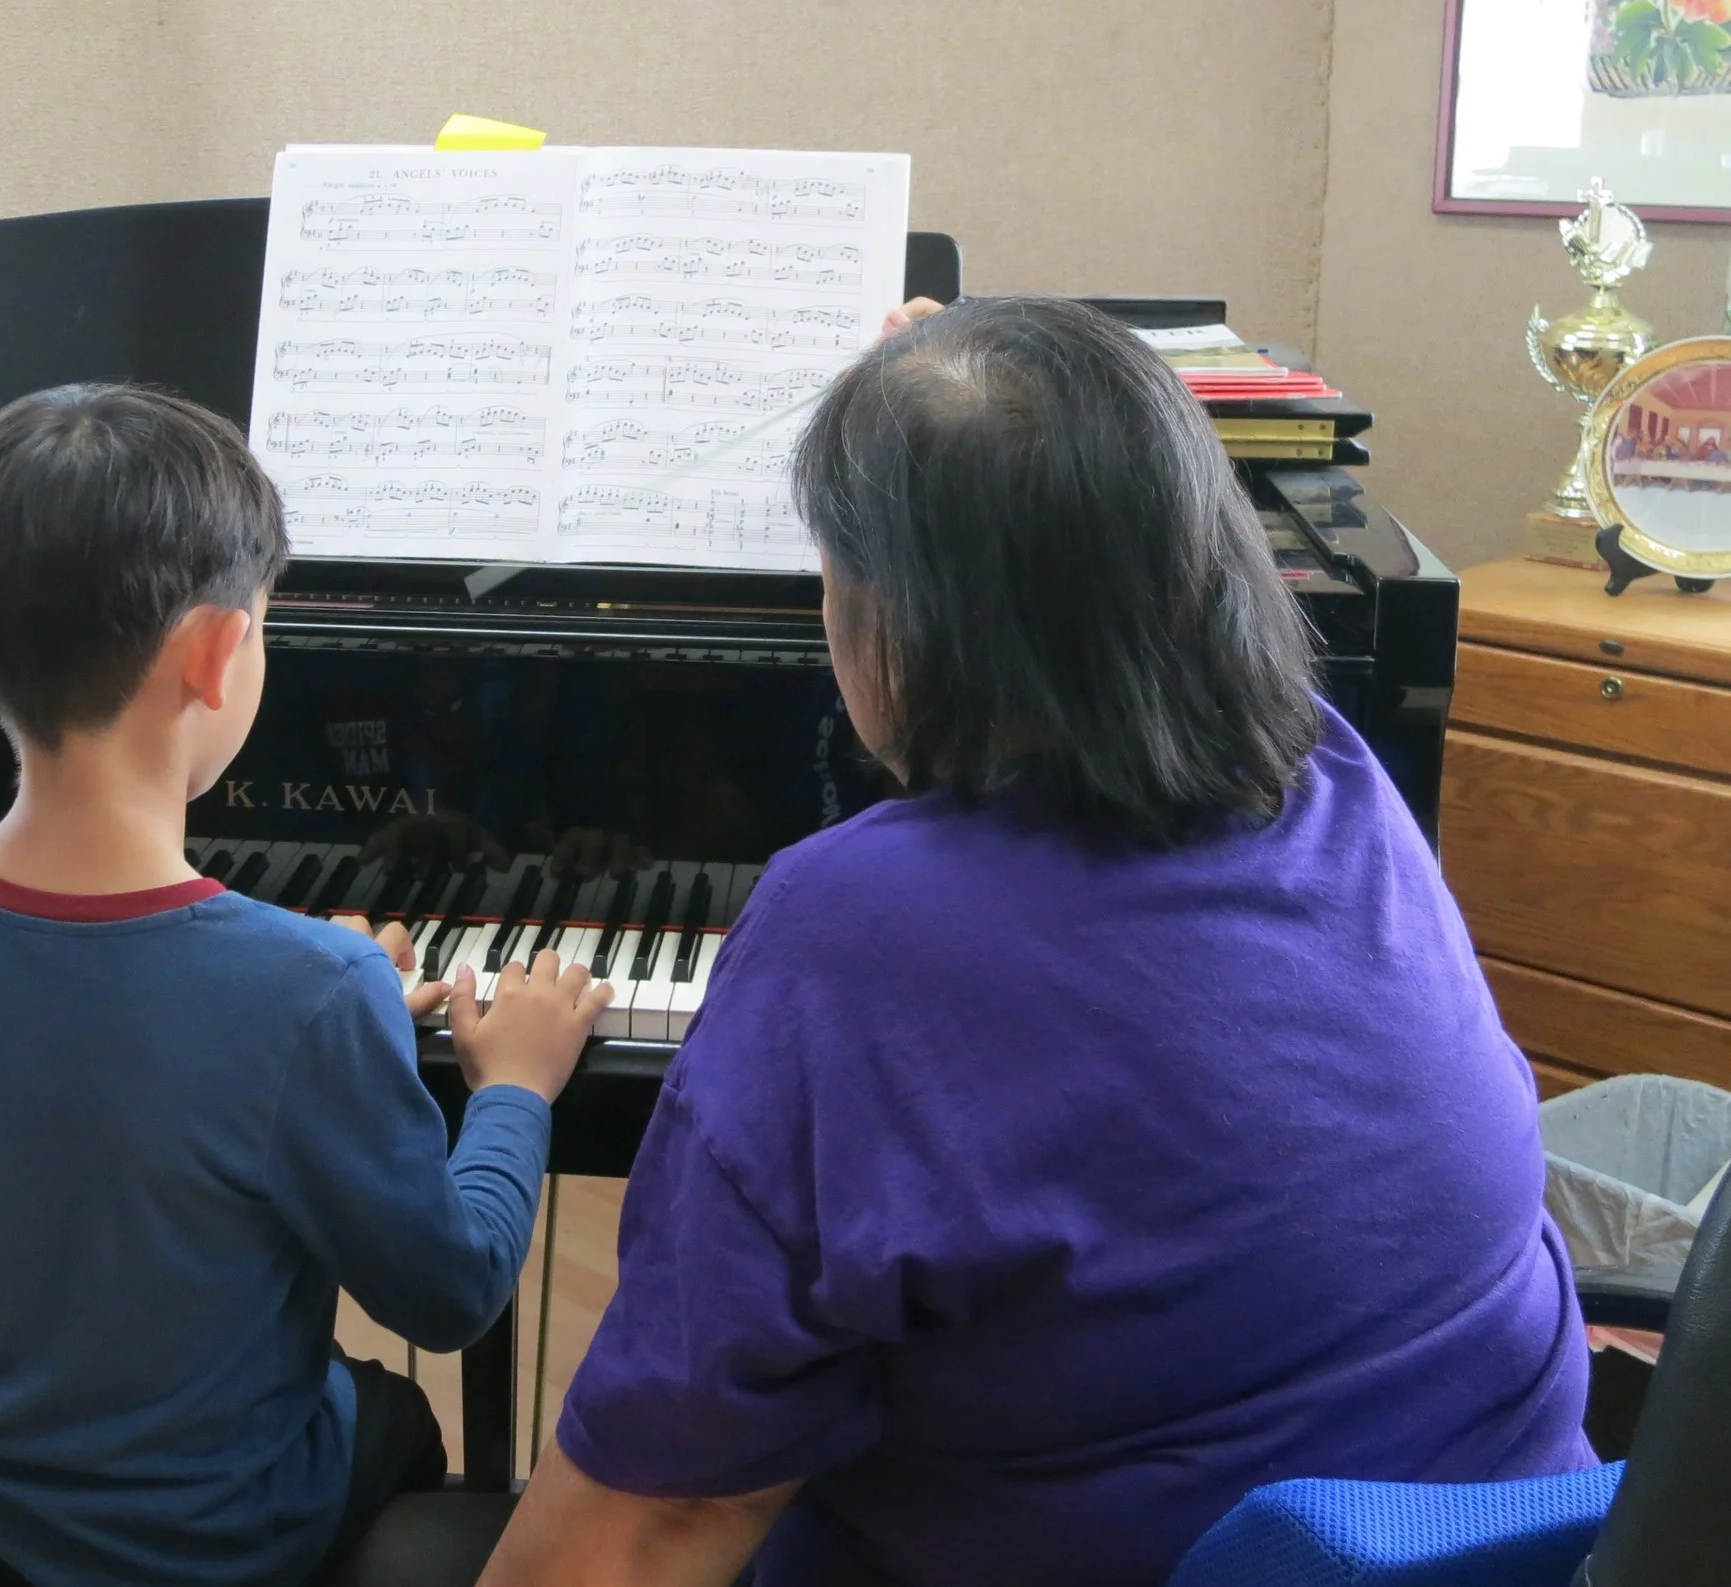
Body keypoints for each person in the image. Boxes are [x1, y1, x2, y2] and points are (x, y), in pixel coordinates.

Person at [482, 297, 1593, 1587]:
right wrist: (955, 383)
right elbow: (1087, 509)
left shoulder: (862, 930)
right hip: (1500, 1543)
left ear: (893, 614)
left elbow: (659, 1516)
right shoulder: (1334, 779)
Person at [0, 384, 612, 1587]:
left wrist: (329, 1002)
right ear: (215, 650)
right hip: (199, 1543)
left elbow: (85, 1117)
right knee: (397, 1414)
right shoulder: (304, 991)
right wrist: (512, 1084)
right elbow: (452, 1295)